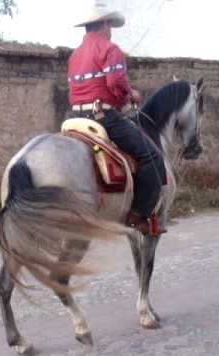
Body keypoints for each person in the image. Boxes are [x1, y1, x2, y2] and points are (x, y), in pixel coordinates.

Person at [67, 5, 166, 236]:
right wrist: (130, 95)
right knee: (152, 157)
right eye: (110, 25)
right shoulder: (111, 49)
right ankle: (139, 216)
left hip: (74, 118)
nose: (111, 30)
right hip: (104, 117)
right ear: (104, 25)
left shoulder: (75, 55)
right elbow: (115, 83)